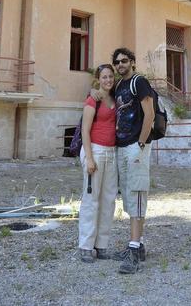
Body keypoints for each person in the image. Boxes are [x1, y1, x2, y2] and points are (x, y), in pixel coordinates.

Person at [111, 47, 155, 274]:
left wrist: (141, 143)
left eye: (124, 61)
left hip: (136, 146)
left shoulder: (139, 82)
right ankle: (137, 245)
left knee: (137, 194)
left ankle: (134, 250)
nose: (120, 65)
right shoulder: (119, 85)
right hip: (122, 146)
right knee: (129, 195)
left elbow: (150, 113)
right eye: (117, 62)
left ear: (133, 62)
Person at [78, 63, 118, 263]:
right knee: (91, 200)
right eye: (104, 77)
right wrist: (90, 158)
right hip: (95, 150)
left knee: (108, 200)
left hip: (112, 153)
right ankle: (85, 246)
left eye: (110, 76)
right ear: (98, 79)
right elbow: (85, 130)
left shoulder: (115, 98)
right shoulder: (93, 100)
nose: (108, 80)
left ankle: (101, 245)